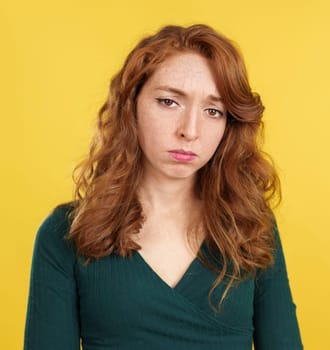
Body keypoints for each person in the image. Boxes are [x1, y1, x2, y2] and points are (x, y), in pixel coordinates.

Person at [24, 24, 303, 350]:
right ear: (132, 106)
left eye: (213, 111)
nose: (190, 130)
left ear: (229, 125)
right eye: (170, 102)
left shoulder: (251, 226)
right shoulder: (65, 232)